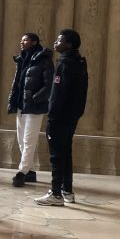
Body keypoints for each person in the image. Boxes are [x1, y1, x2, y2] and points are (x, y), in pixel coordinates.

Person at [35, 28, 88, 206]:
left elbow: (59, 94)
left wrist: (52, 115)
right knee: (66, 152)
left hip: (60, 117)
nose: (56, 42)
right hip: (71, 116)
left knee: (56, 155)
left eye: (60, 40)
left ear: (69, 44)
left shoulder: (64, 64)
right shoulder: (79, 63)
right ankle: (67, 190)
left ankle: (55, 193)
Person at [7, 32, 55, 188]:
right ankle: (31, 171)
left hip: (35, 107)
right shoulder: (22, 59)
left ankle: (21, 172)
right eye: (21, 40)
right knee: (21, 140)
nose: (21, 43)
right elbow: (18, 82)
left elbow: (49, 86)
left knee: (29, 140)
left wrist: (34, 98)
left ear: (34, 42)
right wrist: (13, 100)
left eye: (25, 40)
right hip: (21, 105)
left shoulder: (44, 59)